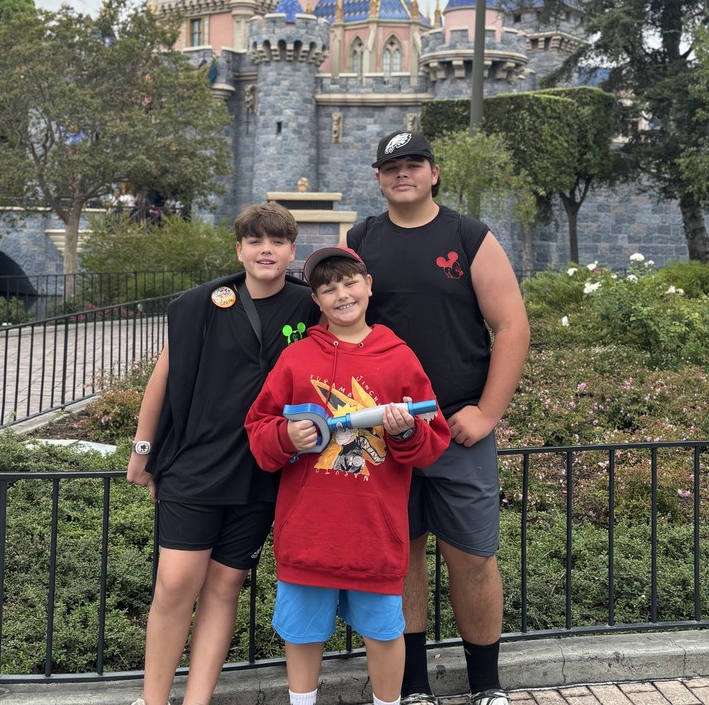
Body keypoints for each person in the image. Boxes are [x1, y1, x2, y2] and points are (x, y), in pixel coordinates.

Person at [346, 131, 531, 705]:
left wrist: (487, 411)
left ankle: (487, 685)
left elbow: (511, 327)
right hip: (383, 427)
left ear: (434, 172)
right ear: (378, 177)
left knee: (473, 558)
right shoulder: (360, 239)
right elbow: (338, 318)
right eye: (391, 166)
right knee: (400, 557)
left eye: (413, 163)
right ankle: (414, 687)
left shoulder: (468, 236)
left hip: (455, 428)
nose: (403, 173)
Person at [126, 202, 322, 705]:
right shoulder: (204, 305)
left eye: (277, 242)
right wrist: (143, 450)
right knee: (175, 584)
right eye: (255, 241)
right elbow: (163, 378)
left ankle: (197, 700)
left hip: (262, 470)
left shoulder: (308, 306)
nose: (266, 250)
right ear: (239, 249)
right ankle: (154, 700)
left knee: (224, 585)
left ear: (291, 250)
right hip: (197, 464)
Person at [245, 246, 451, 705]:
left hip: (375, 536)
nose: (341, 294)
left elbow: (431, 443)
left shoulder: (400, 358)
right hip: (308, 535)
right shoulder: (295, 359)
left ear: (369, 285)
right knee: (302, 635)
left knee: (383, 632)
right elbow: (258, 431)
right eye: (328, 288)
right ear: (315, 300)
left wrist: (405, 432)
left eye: (349, 282)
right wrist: (286, 437)